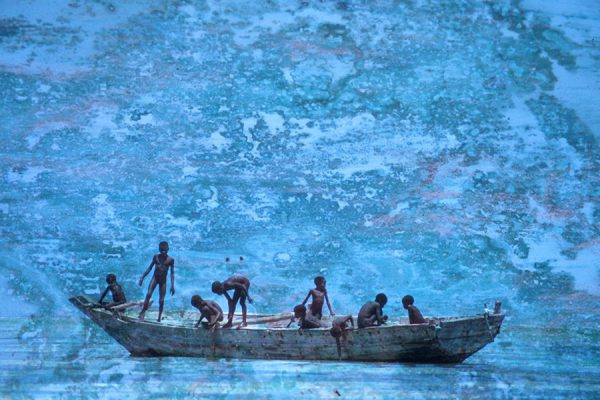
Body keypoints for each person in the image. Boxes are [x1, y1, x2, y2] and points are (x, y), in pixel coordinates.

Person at [138, 241, 175, 322]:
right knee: (148, 294)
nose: (163, 252)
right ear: (159, 249)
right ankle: (143, 311)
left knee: (161, 300)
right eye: (161, 250)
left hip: (163, 281)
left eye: (164, 250)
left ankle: (159, 317)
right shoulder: (156, 257)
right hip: (155, 278)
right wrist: (142, 277)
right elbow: (150, 268)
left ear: (168, 249)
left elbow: (172, 273)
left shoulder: (171, 260)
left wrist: (172, 285)